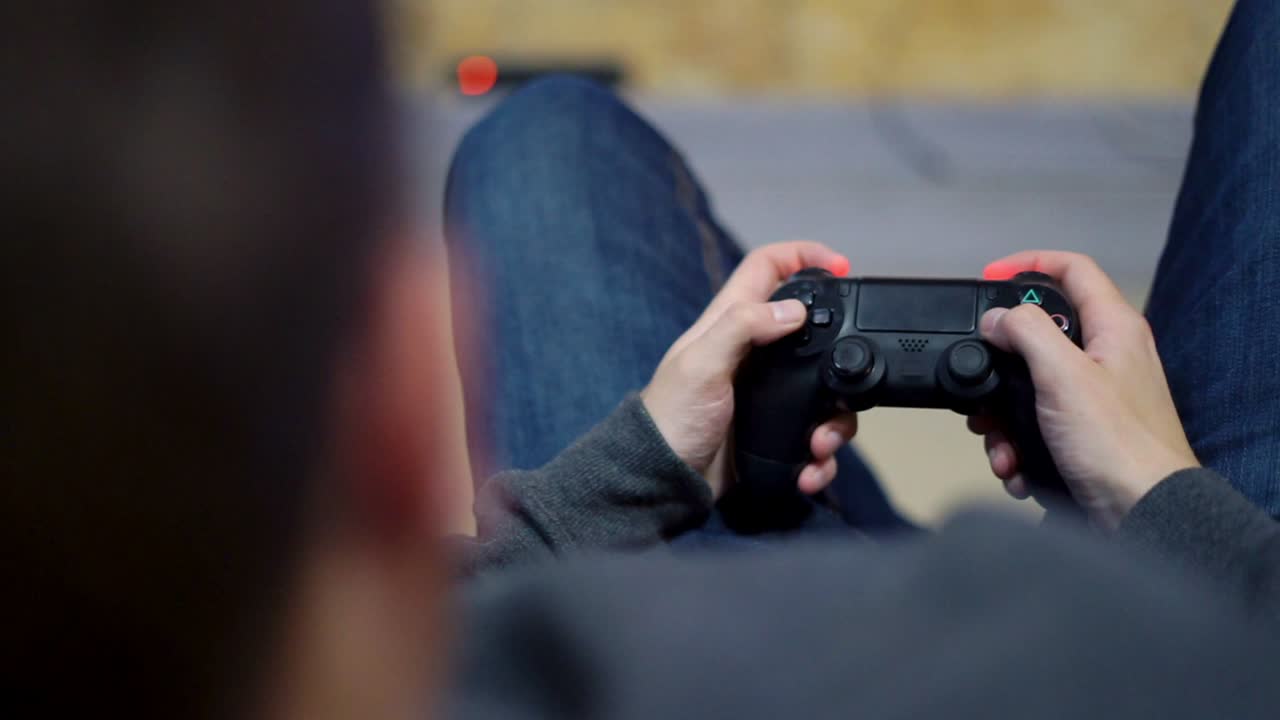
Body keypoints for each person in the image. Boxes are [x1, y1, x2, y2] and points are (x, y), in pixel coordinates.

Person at [6, 2, 1280, 720]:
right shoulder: (1127, 652)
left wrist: (643, 468)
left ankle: (785, 490)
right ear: (396, 413)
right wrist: (1157, 503)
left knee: (543, 132)